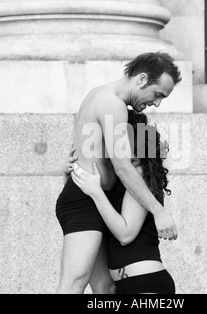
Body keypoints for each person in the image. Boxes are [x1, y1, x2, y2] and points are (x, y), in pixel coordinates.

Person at [56, 52, 182, 294]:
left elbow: (88, 150)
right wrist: (159, 212)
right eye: (157, 95)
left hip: (93, 197)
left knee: (106, 289)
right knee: (73, 283)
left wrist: (68, 169)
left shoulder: (103, 97)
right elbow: (123, 166)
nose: (157, 104)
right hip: (85, 200)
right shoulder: (112, 103)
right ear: (142, 79)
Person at [70, 110, 176, 294]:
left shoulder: (142, 176)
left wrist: (96, 192)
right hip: (125, 286)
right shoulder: (119, 178)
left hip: (147, 286)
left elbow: (125, 235)